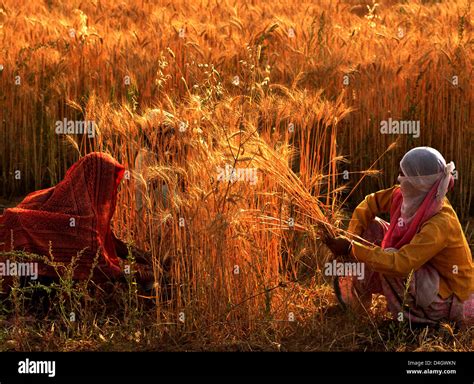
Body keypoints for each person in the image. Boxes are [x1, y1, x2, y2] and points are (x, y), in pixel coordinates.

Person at [326, 147, 474, 327]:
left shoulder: (440, 223)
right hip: (426, 272)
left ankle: (412, 323)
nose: (399, 179)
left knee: (391, 261)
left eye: (404, 175)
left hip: (448, 296)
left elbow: (402, 264)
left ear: (418, 183)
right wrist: (352, 235)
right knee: (371, 227)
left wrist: (351, 249)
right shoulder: (409, 196)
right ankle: (356, 304)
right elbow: (370, 203)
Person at [0, 152, 154, 292]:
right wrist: (141, 276)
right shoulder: (81, 221)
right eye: (108, 183)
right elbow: (101, 267)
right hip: (22, 271)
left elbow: (112, 242)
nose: (112, 190)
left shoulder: (77, 201)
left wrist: (149, 258)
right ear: (97, 182)